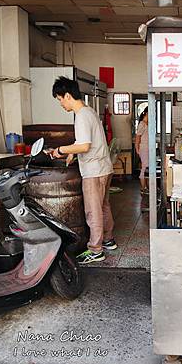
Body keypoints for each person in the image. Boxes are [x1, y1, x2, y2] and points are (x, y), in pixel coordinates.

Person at [49, 76, 117, 265]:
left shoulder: (81, 116)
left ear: (68, 95)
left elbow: (84, 145)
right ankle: (108, 239)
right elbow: (88, 144)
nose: (61, 104)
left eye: (60, 99)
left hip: (94, 171)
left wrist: (61, 150)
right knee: (103, 207)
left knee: (93, 211)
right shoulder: (90, 112)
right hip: (104, 167)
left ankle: (95, 250)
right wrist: (74, 153)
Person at [134, 107, 149, 194]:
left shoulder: (148, 124)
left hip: (148, 148)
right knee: (144, 167)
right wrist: (137, 149)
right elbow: (137, 138)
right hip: (143, 148)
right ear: (146, 113)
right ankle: (143, 188)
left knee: (147, 167)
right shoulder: (142, 124)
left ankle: (146, 187)